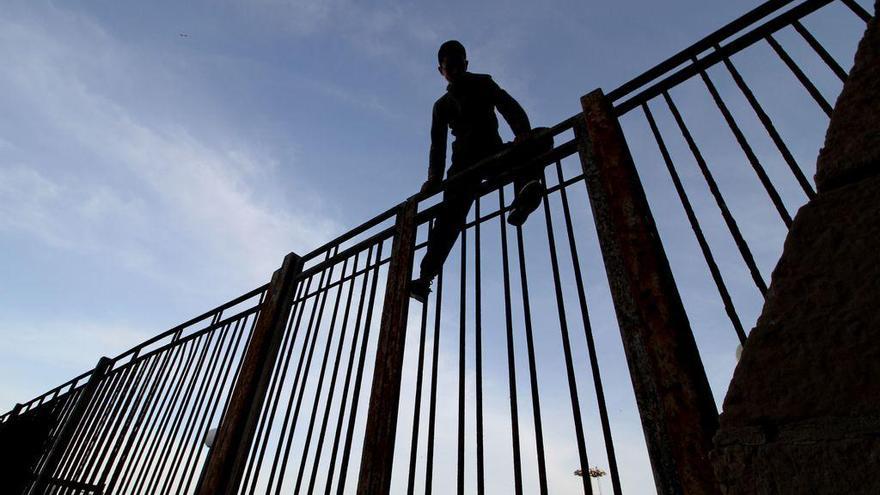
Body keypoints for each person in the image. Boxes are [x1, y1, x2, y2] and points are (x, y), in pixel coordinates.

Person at [410, 40, 552, 303]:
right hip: (463, 167)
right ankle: (425, 276)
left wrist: (523, 134)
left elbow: (510, 107)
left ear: (466, 64)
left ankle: (526, 191)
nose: (453, 70)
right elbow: (437, 144)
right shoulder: (441, 106)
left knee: (541, 137)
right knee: (448, 218)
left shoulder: (483, 83)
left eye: (457, 65)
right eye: (448, 67)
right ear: (441, 70)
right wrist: (434, 179)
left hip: (494, 154)